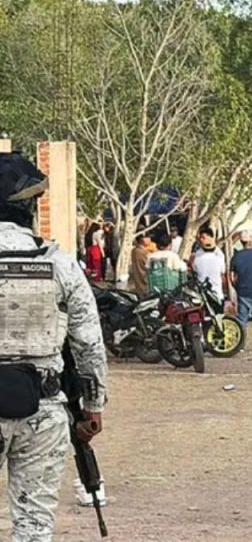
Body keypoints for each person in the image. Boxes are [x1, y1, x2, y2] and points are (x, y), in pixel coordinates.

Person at [0, 150, 108, 542]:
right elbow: (88, 343)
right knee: (34, 527)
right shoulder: (60, 264)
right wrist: (93, 406)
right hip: (43, 411)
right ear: (30, 208)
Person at [191, 227, 228, 302]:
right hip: (210, 293)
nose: (201, 240)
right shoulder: (219, 257)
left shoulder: (198, 257)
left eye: (203, 237)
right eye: (201, 238)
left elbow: (194, 269)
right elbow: (223, 273)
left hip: (210, 293)